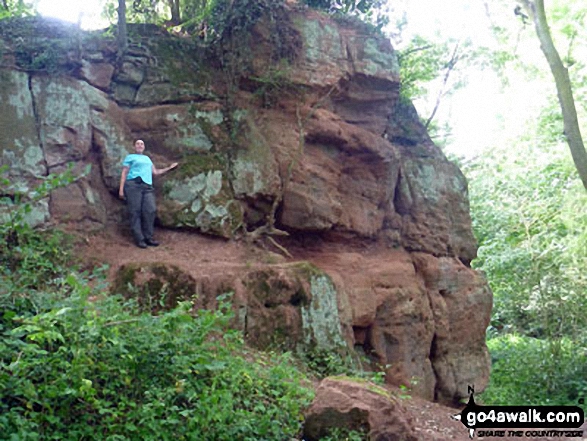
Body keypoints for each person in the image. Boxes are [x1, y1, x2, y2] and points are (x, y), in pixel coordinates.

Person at [118, 139, 178, 248]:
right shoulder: (130, 157)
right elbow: (124, 172)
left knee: (150, 209)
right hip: (133, 184)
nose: (140, 145)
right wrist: (121, 189)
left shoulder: (147, 159)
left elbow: (155, 172)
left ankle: (148, 237)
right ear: (134, 146)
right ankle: (139, 239)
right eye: (137, 144)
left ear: (144, 147)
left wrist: (169, 168)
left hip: (147, 186)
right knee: (135, 211)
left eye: (141, 144)